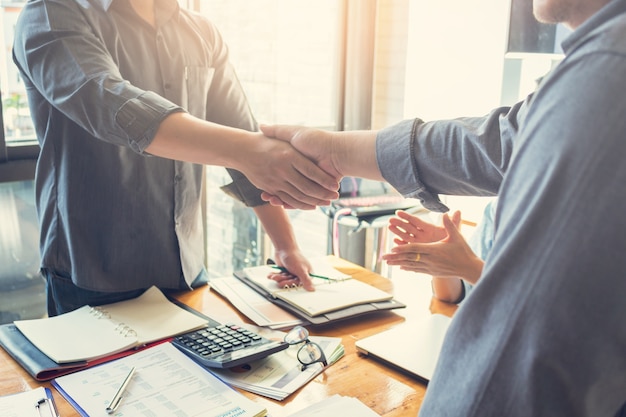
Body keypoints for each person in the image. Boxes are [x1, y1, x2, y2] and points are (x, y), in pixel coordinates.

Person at [260, 0, 626, 415]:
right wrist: (336, 150)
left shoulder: (608, 69)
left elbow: (517, 353)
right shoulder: (592, 68)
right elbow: (498, 141)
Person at [12, 0, 340, 315]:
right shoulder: (50, 13)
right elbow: (113, 105)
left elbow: (241, 133)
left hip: (187, 271)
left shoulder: (202, 33)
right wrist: (251, 150)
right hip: (94, 277)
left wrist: (287, 247)